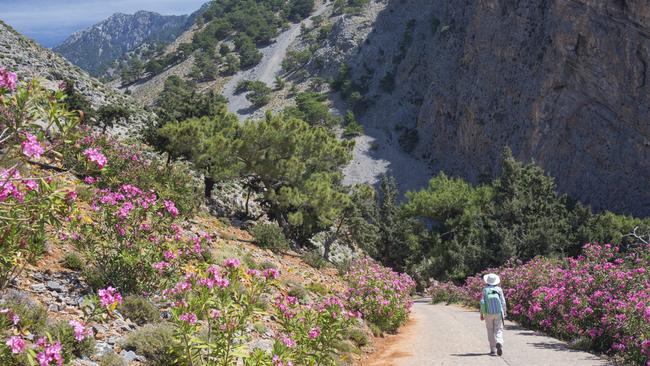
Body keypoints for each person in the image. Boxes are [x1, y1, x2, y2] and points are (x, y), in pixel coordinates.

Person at [480, 273, 507, 356]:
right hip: (498, 312)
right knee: (498, 329)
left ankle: (493, 349)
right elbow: (503, 302)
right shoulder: (499, 289)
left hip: (488, 313)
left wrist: (482, 313)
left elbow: (482, 303)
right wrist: (504, 312)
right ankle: (499, 342)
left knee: (490, 330)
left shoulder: (485, 290)